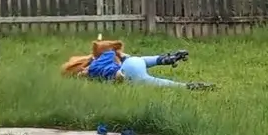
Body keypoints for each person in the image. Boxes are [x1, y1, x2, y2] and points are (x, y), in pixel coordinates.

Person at [84, 48, 215, 90]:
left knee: (157, 82)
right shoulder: (108, 54)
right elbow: (121, 54)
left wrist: (85, 71)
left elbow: (82, 74)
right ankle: (164, 58)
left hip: (126, 75)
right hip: (132, 62)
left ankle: (187, 86)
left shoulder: (92, 68)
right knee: (142, 60)